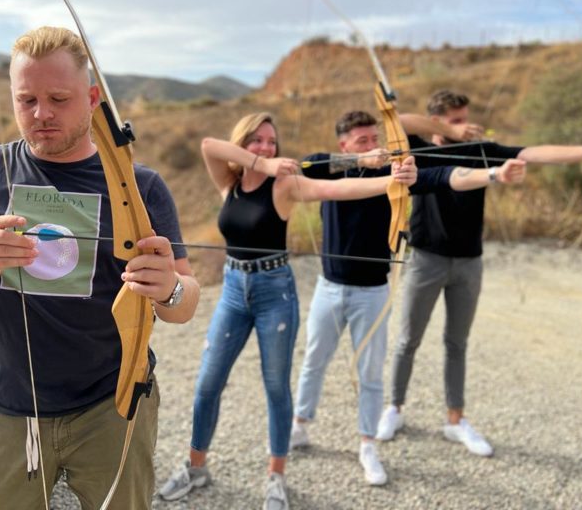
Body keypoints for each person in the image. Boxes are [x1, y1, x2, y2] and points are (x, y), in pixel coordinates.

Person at [0, 26, 199, 509]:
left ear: (92, 97)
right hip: (5, 411)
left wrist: (169, 290)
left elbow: (184, 302)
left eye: (59, 98)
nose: (41, 114)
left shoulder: (138, 185)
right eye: (27, 100)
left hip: (113, 404)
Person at [157, 112, 416, 510]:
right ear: (243, 144)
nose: (265, 147)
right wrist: (261, 163)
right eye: (256, 140)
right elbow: (210, 146)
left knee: (276, 387)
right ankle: (196, 467)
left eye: (271, 142)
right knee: (207, 384)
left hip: (273, 290)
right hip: (231, 289)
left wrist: (392, 181)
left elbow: (337, 191)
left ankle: (276, 477)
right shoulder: (230, 184)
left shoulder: (286, 184)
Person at [376, 89, 582, 457]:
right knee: (407, 340)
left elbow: (533, 153)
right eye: (457, 119)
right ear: (440, 121)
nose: (467, 126)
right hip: (426, 258)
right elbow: (398, 119)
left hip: (469, 261)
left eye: (466, 118)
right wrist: (451, 132)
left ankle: (455, 420)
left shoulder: (482, 149)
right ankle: (394, 408)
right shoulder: (419, 147)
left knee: (456, 343)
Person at [290, 110, 527, 485]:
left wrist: (494, 174)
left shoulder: (399, 173)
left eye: (375, 139)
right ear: (344, 145)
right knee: (314, 361)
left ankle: (367, 444)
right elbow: (303, 164)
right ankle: (300, 424)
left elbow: (446, 177)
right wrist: (361, 161)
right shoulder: (328, 166)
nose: (373, 146)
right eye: (363, 140)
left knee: (370, 372)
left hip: (373, 291)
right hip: (330, 286)